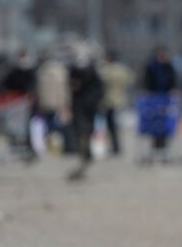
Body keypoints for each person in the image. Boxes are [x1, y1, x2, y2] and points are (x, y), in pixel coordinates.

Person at [67, 46, 106, 181]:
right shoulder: (74, 70)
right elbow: (71, 87)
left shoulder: (93, 72)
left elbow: (99, 89)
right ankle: (84, 152)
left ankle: (86, 152)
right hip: (80, 105)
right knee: (81, 130)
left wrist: (96, 101)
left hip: (89, 106)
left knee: (86, 130)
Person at [140, 46, 179, 163]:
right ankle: (155, 149)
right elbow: (146, 81)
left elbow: (174, 81)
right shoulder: (151, 66)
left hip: (166, 100)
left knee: (166, 126)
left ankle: (165, 151)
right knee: (154, 125)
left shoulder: (169, 67)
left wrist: (174, 90)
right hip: (153, 100)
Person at [98, 51, 134, 156]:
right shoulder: (122, 69)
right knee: (120, 125)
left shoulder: (105, 70)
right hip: (121, 99)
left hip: (109, 100)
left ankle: (115, 147)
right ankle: (118, 146)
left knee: (111, 125)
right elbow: (130, 79)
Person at [35, 52, 72, 153]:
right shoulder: (61, 70)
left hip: (45, 103)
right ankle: (66, 147)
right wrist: (67, 103)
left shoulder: (41, 71)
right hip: (59, 103)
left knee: (48, 126)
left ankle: (50, 147)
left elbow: (38, 89)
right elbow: (64, 89)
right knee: (63, 126)